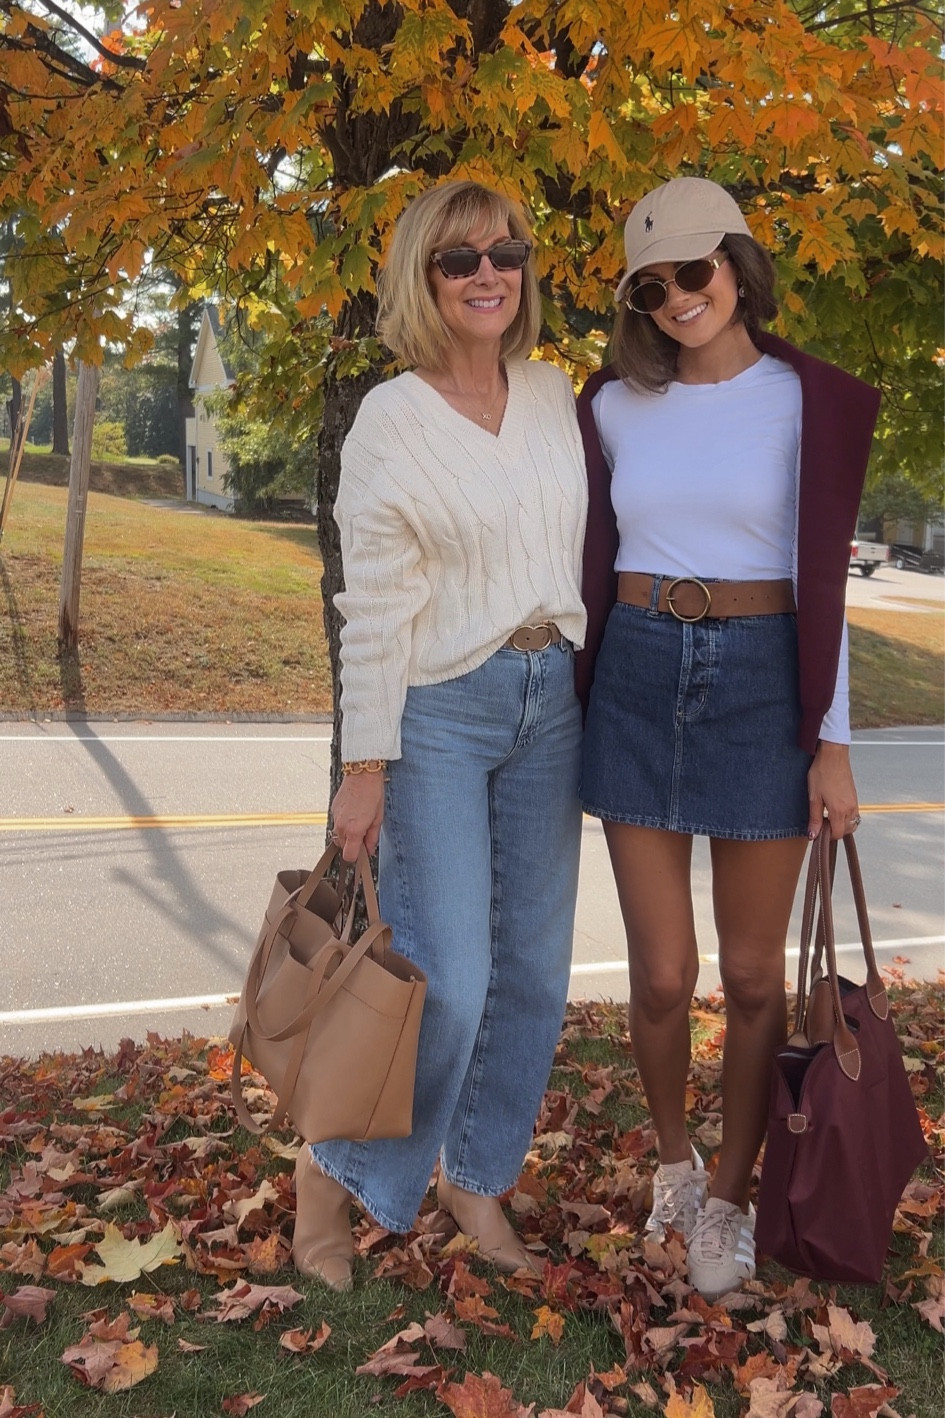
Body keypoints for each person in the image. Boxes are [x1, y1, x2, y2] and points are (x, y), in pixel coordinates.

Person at [576, 177, 880, 1300]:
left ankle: (733, 1200)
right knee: (663, 973)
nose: (676, 298)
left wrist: (833, 743)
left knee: (753, 976)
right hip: (640, 672)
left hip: (764, 680)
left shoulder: (809, 402)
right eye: (650, 287)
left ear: (739, 268)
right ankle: (672, 1163)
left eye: (694, 273)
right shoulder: (607, 405)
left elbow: (826, 586)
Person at [291, 180, 588, 1291]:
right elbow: (371, 607)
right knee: (449, 978)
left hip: (550, 696)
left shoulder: (556, 394)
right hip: (441, 711)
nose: (487, 274)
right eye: (458, 259)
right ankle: (333, 1170)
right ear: (421, 278)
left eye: (504, 253)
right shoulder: (392, 418)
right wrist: (362, 767)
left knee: (533, 978)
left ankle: (478, 1173)